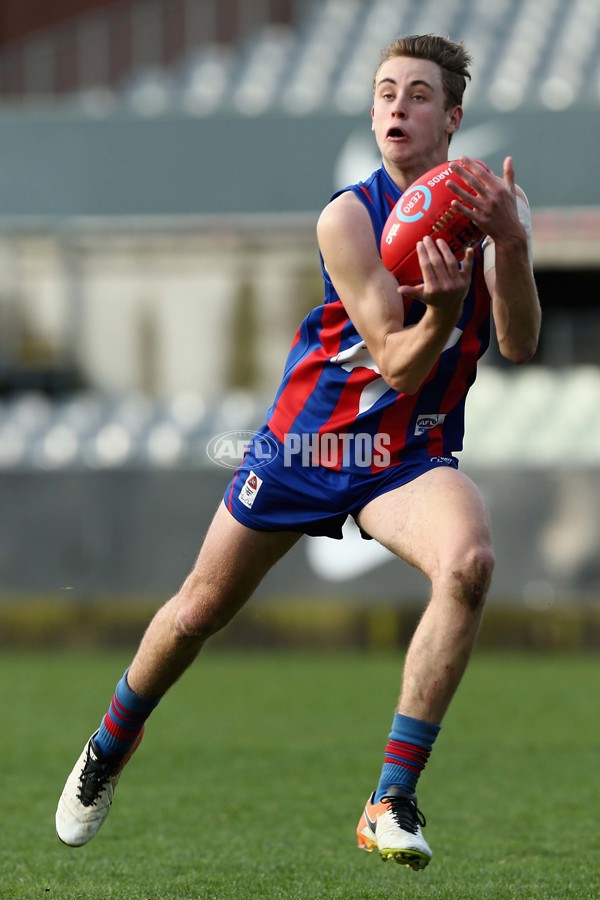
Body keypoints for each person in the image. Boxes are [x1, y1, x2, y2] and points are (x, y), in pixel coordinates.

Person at [55, 33, 540, 871]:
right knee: (199, 611)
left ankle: (390, 798)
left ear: (453, 117)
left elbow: (522, 344)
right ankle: (109, 745)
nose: (397, 105)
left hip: (408, 457)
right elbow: (395, 358)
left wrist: (516, 246)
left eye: (418, 94)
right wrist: (439, 310)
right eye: (386, 90)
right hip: (306, 444)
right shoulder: (347, 216)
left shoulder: (496, 214)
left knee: (469, 563)